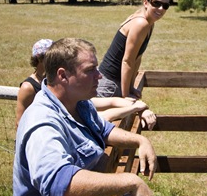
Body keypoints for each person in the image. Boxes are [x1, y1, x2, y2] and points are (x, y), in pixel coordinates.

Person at [0, 38, 157, 196]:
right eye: (91, 70)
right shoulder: (43, 121)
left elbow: (103, 129)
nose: (99, 76)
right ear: (63, 75)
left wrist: (140, 140)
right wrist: (130, 181)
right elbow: (58, 181)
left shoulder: (78, 103)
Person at [16, 40, 156, 130]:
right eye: (44, 57)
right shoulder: (31, 89)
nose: (99, 75)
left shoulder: (74, 97)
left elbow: (109, 105)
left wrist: (139, 107)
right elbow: (21, 123)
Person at [97, 0, 171, 99]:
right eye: (156, 3)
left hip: (115, 82)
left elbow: (137, 58)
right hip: (109, 84)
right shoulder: (141, 23)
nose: (161, 8)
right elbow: (127, 61)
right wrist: (125, 96)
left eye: (165, 5)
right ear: (146, 2)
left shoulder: (149, 23)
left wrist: (131, 87)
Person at [16, 38, 53, 128]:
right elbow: (20, 123)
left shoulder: (54, 80)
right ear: (40, 59)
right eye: (52, 57)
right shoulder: (28, 87)